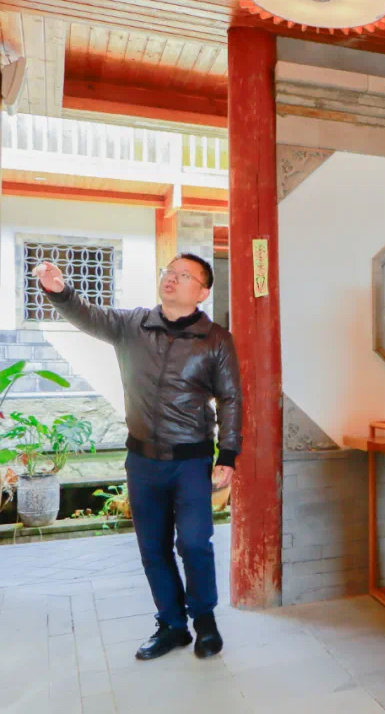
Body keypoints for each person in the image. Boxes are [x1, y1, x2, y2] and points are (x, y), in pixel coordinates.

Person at [34, 255, 241, 661]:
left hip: (190, 460)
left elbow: (231, 398)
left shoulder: (215, 339)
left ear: (202, 292)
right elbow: (88, 316)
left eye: (184, 275)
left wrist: (228, 453)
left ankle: (205, 621)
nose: (172, 279)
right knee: (153, 548)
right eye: (169, 272)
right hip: (143, 460)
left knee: (195, 543)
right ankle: (172, 625)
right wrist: (59, 291)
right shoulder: (134, 324)